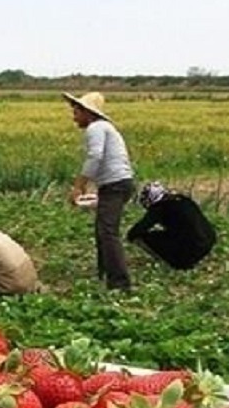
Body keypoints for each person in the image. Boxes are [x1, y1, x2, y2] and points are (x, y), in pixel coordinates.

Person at [64, 91, 136, 291]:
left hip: (115, 185)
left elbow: (95, 156)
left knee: (108, 233)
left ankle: (120, 284)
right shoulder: (104, 127)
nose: (74, 116)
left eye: (76, 111)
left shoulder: (96, 127)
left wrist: (79, 185)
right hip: (116, 184)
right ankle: (104, 275)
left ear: (88, 112)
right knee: (102, 231)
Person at [127, 181, 217, 270]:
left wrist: (129, 237)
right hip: (208, 241)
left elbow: (138, 230)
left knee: (142, 237)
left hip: (192, 246)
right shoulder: (183, 200)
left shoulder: (160, 207)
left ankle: (172, 263)